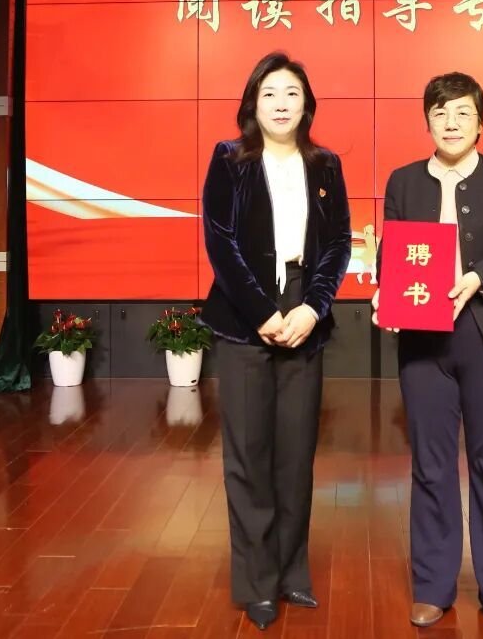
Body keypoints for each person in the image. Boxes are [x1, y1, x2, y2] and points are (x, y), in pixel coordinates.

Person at [372, 72, 483, 630]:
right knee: (431, 463)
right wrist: (385, 292)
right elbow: (394, 255)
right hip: (424, 341)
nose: (451, 122)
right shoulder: (403, 181)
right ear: (427, 121)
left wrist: (477, 277)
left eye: (463, 112)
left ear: (480, 122)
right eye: (440, 112)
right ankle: (433, 584)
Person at [200, 52, 351, 631]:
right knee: (248, 456)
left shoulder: (326, 165)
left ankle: (291, 573)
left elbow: (338, 243)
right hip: (246, 318)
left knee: (295, 455)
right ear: (252, 104)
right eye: (269, 94)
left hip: (306, 313)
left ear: (307, 104)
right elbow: (221, 242)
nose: (281, 104)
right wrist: (263, 312)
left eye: (291, 93)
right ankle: (257, 583)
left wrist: (313, 307)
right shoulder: (229, 160)